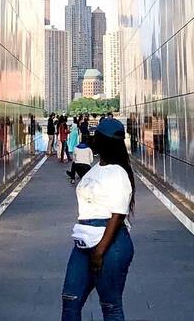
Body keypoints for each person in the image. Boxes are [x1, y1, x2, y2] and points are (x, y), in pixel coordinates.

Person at [62, 118, 134, 320]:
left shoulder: (118, 173)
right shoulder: (96, 168)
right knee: (70, 299)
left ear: (105, 141)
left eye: (97, 136)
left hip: (110, 244)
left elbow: (118, 214)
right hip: (84, 241)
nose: (93, 139)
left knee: (110, 306)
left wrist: (100, 251)